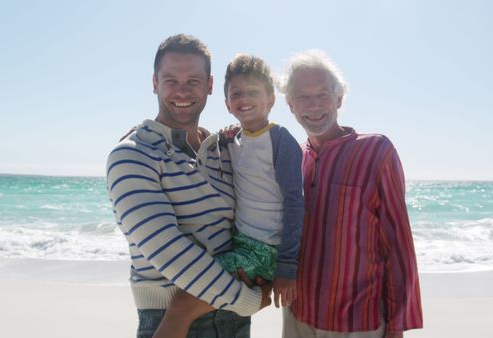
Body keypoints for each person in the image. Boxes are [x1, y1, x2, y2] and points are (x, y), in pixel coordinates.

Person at [106, 34, 272, 338]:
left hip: (233, 319)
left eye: (193, 81)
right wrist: (246, 300)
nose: (182, 91)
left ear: (209, 86)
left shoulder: (223, 150)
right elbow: (168, 250)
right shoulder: (132, 154)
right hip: (172, 320)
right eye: (171, 80)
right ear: (155, 83)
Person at [153, 54, 305, 338]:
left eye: (253, 92)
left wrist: (287, 268)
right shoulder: (232, 141)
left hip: (264, 249)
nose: (244, 98)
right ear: (227, 104)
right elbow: (210, 145)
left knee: (184, 300)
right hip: (242, 243)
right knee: (200, 292)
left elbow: (296, 203)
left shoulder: (280, 140)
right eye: (236, 93)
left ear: (271, 99)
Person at [278, 50, 423, 338]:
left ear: (339, 99)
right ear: (291, 104)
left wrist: (397, 324)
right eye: (303, 97)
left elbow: (398, 243)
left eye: (323, 94)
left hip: (358, 322)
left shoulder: (376, 151)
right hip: (298, 316)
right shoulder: (293, 159)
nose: (314, 105)